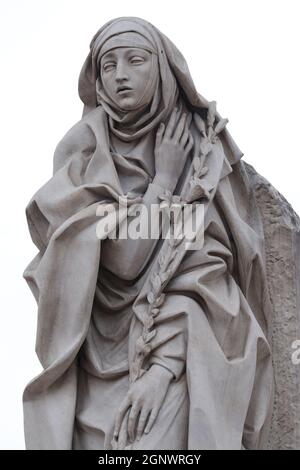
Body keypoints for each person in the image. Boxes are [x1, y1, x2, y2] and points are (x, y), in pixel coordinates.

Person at [23, 17, 274, 450]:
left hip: (177, 356)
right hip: (91, 367)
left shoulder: (204, 152)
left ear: (161, 67)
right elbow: (124, 261)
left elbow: (208, 276)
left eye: (135, 60)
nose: (120, 74)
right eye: (107, 65)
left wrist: (162, 367)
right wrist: (165, 178)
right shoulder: (82, 151)